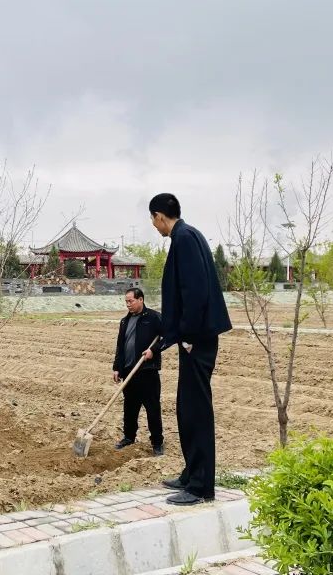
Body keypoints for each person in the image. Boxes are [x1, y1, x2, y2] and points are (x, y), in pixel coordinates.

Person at [146, 193, 231, 505]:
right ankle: (191, 473)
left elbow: (194, 291)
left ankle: (200, 487)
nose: (154, 227)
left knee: (195, 409)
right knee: (186, 406)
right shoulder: (187, 236)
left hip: (197, 338)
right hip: (190, 336)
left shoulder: (184, 238)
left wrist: (189, 334)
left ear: (159, 216)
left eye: (153, 220)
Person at [112, 287, 164, 456]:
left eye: (131, 301)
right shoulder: (124, 321)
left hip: (147, 371)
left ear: (141, 299)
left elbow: (167, 337)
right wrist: (117, 368)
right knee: (130, 407)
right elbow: (120, 346)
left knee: (152, 408)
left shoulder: (154, 318)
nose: (128, 304)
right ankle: (128, 437)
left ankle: (157, 443)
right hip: (128, 372)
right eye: (126, 301)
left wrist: (153, 351)